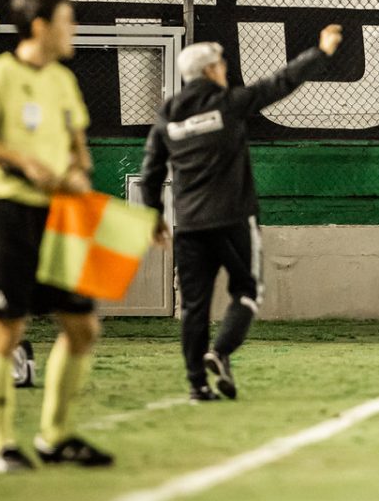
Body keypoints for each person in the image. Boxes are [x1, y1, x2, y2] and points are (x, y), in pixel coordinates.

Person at [0, 0, 128, 474]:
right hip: (8, 216)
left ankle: (55, 437)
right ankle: (2, 445)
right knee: (6, 330)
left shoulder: (65, 83)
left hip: (60, 218)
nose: (73, 30)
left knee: (82, 326)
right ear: (39, 26)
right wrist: (22, 160)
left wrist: (76, 175)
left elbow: (79, 153)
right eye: (67, 21)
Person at [139, 25, 342, 401]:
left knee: (194, 307)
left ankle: (197, 384)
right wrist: (321, 51)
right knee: (247, 290)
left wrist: (154, 218)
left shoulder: (167, 114)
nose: (224, 68)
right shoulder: (228, 103)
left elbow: (150, 172)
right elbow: (279, 83)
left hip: (190, 225)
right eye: (220, 63)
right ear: (211, 71)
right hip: (233, 219)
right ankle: (220, 351)